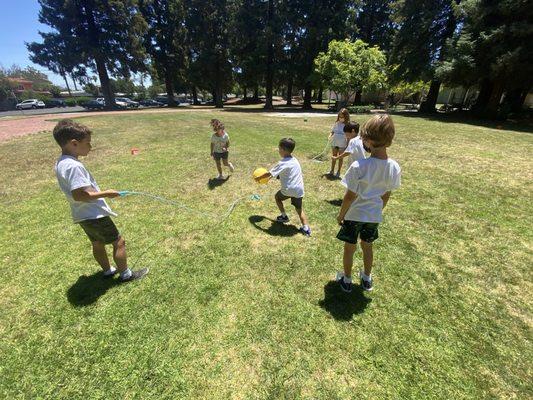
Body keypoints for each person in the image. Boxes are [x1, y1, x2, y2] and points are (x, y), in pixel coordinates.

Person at [53, 119, 149, 282]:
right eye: (88, 143)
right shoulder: (74, 166)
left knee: (97, 243)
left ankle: (107, 271)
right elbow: (79, 195)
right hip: (94, 214)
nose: (91, 146)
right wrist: (106, 193)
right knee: (118, 242)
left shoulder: (61, 163)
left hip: (81, 214)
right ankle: (126, 274)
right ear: (74, 143)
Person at [335, 115, 401, 292]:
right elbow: (386, 195)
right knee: (367, 246)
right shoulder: (394, 167)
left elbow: (349, 196)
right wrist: (378, 210)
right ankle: (366, 278)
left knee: (350, 248)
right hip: (373, 216)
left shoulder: (359, 166)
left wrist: (341, 215)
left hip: (354, 215)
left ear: (368, 140)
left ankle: (347, 280)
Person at [254, 138, 311, 236]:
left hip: (288, 189)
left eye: (279, 148)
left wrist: (258, 178)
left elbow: (269, 174)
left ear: (283, 150)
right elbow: (285, 173)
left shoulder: (283, 163)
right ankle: (306, 228)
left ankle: (284, 216)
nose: (278, 150)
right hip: (299, 190)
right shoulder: (295, 160)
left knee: (277, 197)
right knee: (299, 208)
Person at [328, 108, 350, 177]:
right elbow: (332, 131)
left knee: (340, 157)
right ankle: (332, 170)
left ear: (346, 117)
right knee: (334, 156)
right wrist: (330, 135)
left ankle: (338, 172)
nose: (341, 118)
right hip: (335, 142)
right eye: (339, 117)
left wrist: (347, 144)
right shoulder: (336, 123)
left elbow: (348, 136)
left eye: (342, 117)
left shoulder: (347, 125)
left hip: (342, 143)